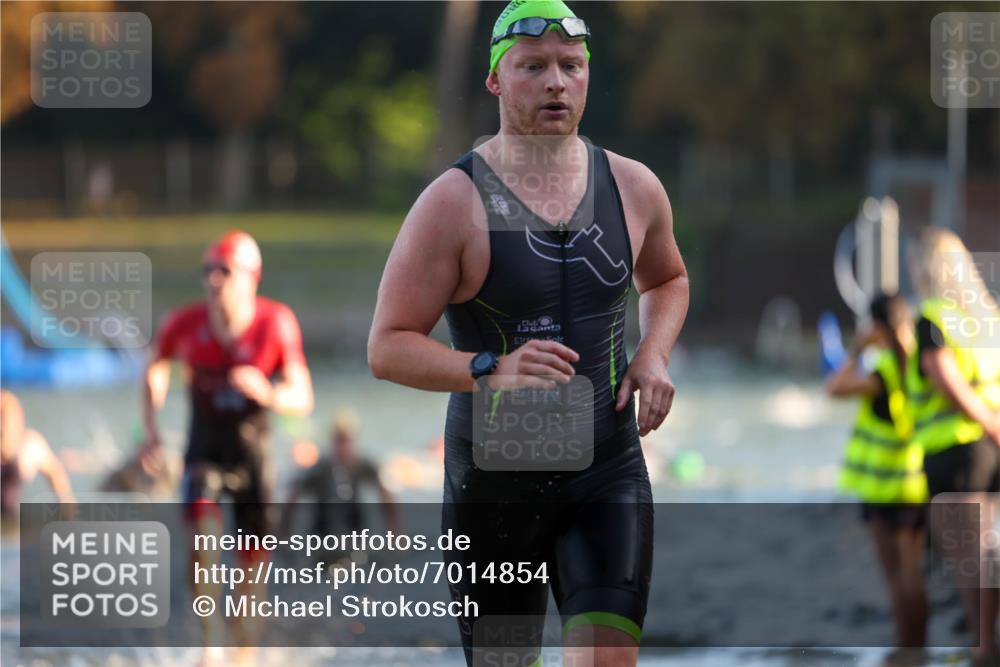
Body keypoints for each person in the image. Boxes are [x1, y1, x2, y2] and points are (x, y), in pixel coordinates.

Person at [367, 2, 689, 665]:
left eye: (571, 66)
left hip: (607, 467)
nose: (555, 82)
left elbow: (668, 280)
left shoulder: (633, 187)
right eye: (532, 66)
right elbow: (388, 345)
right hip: (495, 482)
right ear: (495, 79)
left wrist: (653, 354)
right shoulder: (452, 204)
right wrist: (490, 367)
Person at [140, 229, 314, 667]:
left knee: (250, 582)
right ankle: (208, 642)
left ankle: (242, 651)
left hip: (254, 456)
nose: (214, 280)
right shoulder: (185, 323)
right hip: (205, 451)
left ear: (251, 277)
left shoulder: (275, 322)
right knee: (203, 538)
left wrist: (268, 392)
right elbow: (155, 366)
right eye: (207, 271)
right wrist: (151, 427)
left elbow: (302, 395)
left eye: (225, 271)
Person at [906, 227, 1000, 662]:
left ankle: (982, 648)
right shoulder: (986, 317)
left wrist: (983, 420)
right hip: (991, 446)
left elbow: (946, 378)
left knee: (968, 554)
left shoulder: (933, 317)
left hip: (956, 450)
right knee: (989, 547)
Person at [827, 294, 927, 658]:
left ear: (877, 327)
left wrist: (856, 349)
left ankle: (906, 650)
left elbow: (834, 387)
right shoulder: (919, 361)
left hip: (886, 487)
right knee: (913, 575)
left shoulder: (883, 369)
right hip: (917, 481)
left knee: (897, 578)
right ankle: (918, 649)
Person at [284, 408, 401, 559]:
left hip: (355, 536)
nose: (342, 446)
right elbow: (293, 495)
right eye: (339, 440)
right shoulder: (320, 467)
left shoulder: (363, 464)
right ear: (332, 441)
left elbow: (387, 497)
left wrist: (394, 534)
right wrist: (285, 534)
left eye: (346, 440)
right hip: (321, 537)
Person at [0, 390, 75, 523]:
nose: (3, 429)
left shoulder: (29, 446)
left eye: (5, 423)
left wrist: (68, 511)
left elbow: (55, 473)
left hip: (10, 529)